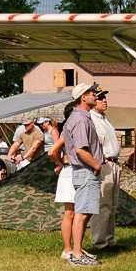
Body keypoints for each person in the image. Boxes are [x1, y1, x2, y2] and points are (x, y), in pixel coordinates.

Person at [61, 83, 104, 266]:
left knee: (84, 213)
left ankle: (78, 251)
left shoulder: (78, 118)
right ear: (83, 98)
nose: (96, 95)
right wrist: (96, 165)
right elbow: (80, 150)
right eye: (92, 93)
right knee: (81, 213)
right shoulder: (80, 119)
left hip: (84, 170)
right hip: (86, 170)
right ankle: (77, 256)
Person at [89, 91, 127, 252]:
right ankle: (99, 243)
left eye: (105, 97)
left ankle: (109, 241)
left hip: (114, 164)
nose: (104, 100)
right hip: (103, 165)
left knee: (112, 206)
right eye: (100, 98)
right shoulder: (91, 120)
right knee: (102, 205)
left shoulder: (105, 118)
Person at [48, 103, 85, 260]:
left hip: (72, 171)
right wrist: (61, 163)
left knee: (74, 212)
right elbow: (52, 151)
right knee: (71, 213)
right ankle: (68, 249)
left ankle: (73, 249)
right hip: (70, 171)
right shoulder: (69, 130)